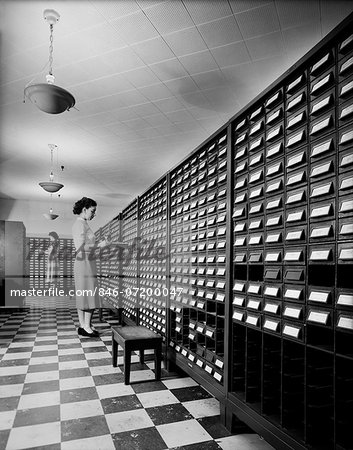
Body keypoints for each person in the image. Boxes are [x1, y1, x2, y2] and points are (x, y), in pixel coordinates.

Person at [72, 197, 110, 337]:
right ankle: (86, 326)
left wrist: (100, 244)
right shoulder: (80, 225)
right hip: (84, 263)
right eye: (92, 211)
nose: (94, 214)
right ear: (84, 209)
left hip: (86, 261)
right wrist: (100, 245)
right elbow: (81, 248)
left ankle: (83, 325)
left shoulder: (83, 224)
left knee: (84, 293)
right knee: (89, 294)